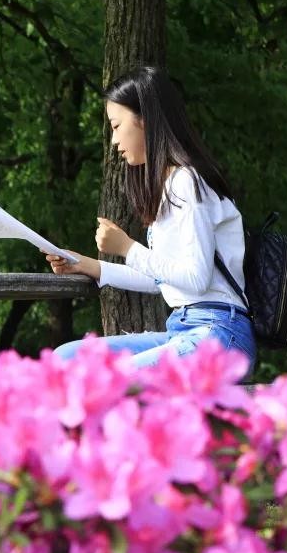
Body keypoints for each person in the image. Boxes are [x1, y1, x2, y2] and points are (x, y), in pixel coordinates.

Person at [44, 66, 256, 376]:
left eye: (116, 125)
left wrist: (128, 247)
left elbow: (195, 279)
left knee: (111, 381)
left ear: (144, 119)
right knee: (66, 358)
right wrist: (90, 265)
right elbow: (163, 279)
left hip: (220, 334)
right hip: (184, 330)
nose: (114, 140)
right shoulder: (169, 185)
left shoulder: (187, 182)